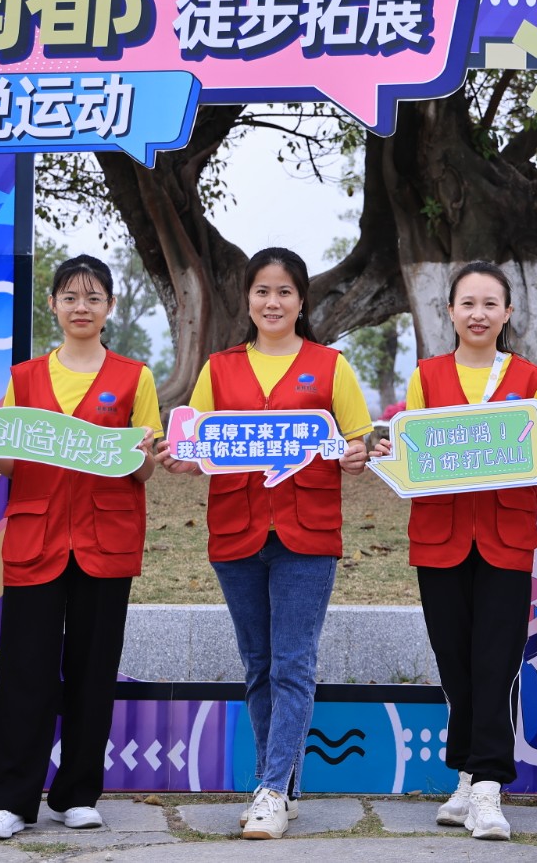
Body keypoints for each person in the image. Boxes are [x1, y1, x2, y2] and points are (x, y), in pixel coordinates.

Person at [158, 248, 371, 840]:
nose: (272, 302)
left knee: (293, 663)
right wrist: (183, 460)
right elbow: (197, 447)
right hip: (236, 531)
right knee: (257, 665)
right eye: (262, 291)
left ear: (302, 301)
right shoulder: (219, 369)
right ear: (247, 300)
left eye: (284, 292)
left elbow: (358, 443)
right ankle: (282, 786)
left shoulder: (330, 366)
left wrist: (357, 455)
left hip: (307, 535)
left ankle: (272, 789)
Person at [372, 261, 537, 841]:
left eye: (490, 304)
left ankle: (488, 787)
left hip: (506, 538)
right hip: (441, 537)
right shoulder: (426, 376)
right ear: (450, 311)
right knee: (455, 662)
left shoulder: (529, 377)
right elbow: (411, 452)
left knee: (496, 663)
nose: (478, 314)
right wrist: (388, 453)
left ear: (507, 313)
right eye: (468, 303)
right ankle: (465, 774)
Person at [0, 255, 161, 841]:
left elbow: (144, 468)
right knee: (23, 671)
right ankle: (9, 801)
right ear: (53, 305)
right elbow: (9, 463)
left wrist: (143, 456)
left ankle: (78, 793)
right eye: (71, 297)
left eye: (94, 297)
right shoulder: (25, 378)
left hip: (106, 540)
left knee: (93, 670)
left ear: (110, 307)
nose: (82, 307)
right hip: (36, 539)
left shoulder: (135, 378)